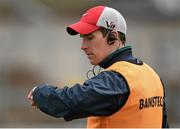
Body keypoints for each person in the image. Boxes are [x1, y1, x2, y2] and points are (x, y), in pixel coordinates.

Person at [27, 6, 169, 128]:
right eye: (82, 38)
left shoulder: (116, 79)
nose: (83, 46)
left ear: (113, 36)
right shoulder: (152, 75)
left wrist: (40, 93)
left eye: (90, 38)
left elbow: (72, 102)